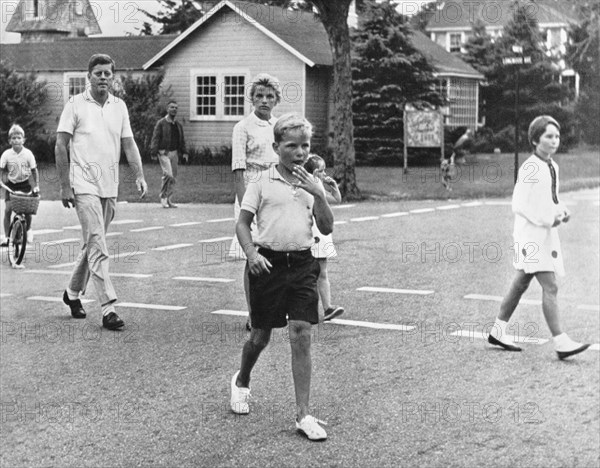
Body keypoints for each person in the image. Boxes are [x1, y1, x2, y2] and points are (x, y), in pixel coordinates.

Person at [230, 113, 334, 441]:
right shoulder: (260, 182)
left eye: (305, 145)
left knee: (301, 333)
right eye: (292, 146)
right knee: (260, 337)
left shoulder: (311, 182)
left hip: (303, 263)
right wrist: (251, 254)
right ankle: (242, 380)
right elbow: (243, 224)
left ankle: (303, 414)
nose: (300, 152)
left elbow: (327, 227)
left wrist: (318, 193)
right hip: (267, 264)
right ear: (277, 147)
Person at [55, 53, 148, 330]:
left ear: (113, 76)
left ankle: (72, 293)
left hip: (110, 186)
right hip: (83, 184)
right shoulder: (75, 105)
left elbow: (129, 144)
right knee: (98, 243)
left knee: (93, 244)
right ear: (89, 76)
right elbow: (61, 145)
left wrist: (139, 174)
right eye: (98, 73)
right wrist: (63, 185)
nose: (104, 77)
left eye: (108, 73)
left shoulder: (119, 106)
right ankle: (108, 308)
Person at [487, 115, 590, 360]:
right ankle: (561, 341)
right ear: (535, 140)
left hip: (544, 234)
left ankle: (498, 330)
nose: (555, 141)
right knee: (550, 285)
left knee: (521, 282)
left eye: (557, 136)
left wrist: (561, 210)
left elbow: (551, 198)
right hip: (530, 236)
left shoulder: (552, 166)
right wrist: (548, 219)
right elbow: (519, 204)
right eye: (549, 136)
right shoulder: (531, 167)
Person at [228, 73, 282, 330]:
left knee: (276, 252)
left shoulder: (280, 125)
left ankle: (272, 307)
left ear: (276, 100)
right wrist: (244, 209)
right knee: (253, 255)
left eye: (269, 96)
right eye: (259, 96)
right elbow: (238, 169)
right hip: (251, 192)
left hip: (276, 194)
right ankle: (254, 313)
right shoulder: (242, 127)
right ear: (251, 99)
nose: (264, 100)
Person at [304, 154, 345, 322]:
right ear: (313, 173)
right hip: (311, 233)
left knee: (322, 272)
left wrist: (333, 187)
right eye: (321, 171)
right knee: (306, 274)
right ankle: (303, 309)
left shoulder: (320, 188)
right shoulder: (307, 188)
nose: (324, 173)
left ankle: (327, 307)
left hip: (321, 233)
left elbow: (336, 199)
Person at [1, 124, 39, 247]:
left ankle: (28, 229)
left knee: (27, 211)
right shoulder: (6, 154)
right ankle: (6, 237)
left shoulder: (28, 154)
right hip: (11, 185)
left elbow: (34, 170)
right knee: (7, 210)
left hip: (25, 184)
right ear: (9, 141)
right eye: (13, 138)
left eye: (19, 138)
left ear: (23, 140)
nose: (16, 140)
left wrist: (36, 185)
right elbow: (1, 169)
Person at [150, 100, 188, 208]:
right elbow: (155, 138)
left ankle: (169, 199)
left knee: (173, 177)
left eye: (176, 108)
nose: (174, 109)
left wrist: (184, 152)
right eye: (172, 107)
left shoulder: (178, 125)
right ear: (167, 109)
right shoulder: (161, 123)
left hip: (174, 153)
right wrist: (153, 151)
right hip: (164, 153)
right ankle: (163, 197)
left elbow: (182, 140)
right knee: (168, 175)